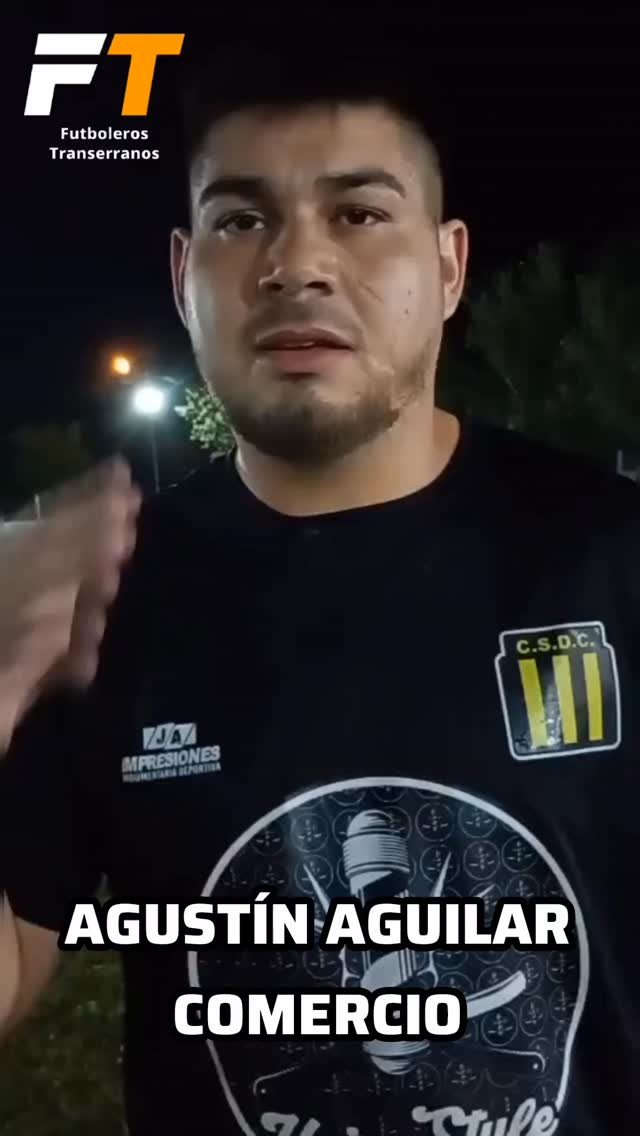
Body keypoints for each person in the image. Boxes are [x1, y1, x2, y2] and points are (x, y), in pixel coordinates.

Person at [0, 44, 638, 1136]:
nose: (296, 262)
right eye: (242, 219)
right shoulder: (96, 595)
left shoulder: (609, 554)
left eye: (358, 213)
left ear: (448, 267)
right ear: (182, 275)